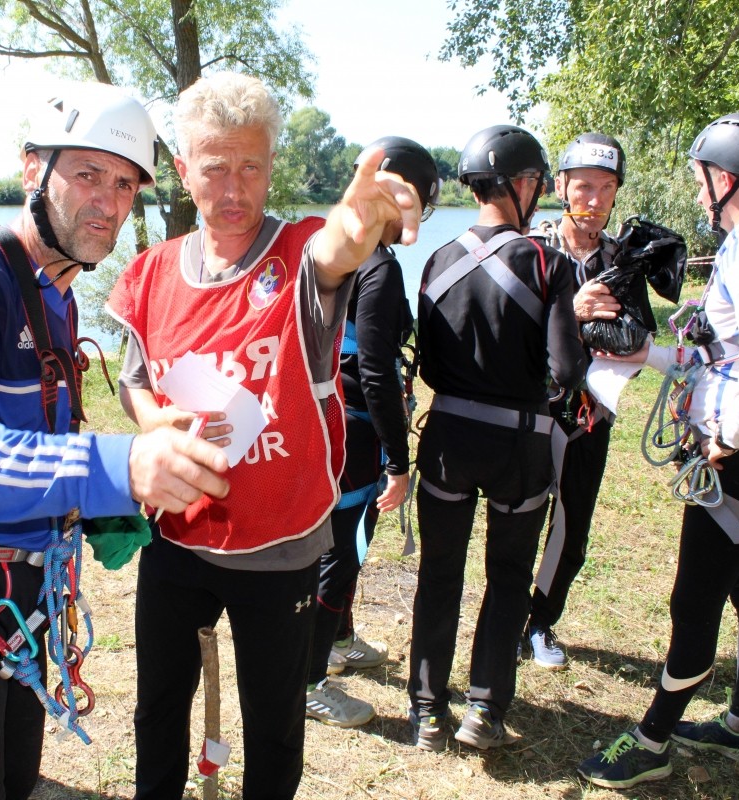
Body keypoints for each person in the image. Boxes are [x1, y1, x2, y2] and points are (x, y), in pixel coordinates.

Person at [0, 83, 230, 800]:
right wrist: (116, 465)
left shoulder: (52, 288)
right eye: (86, 173)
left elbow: (26, 430)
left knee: (14, 780)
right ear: (33, 170)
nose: (109, 201)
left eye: (124, 183)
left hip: (17, 585)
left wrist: (97, 504)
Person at [105, 72, 422, 799]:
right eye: (215, 168)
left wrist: (358, 214)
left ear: (271, 167)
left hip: (280, 542)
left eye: (251, 166)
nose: (234, 188)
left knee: (274, 725)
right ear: (184, 171)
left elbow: (338, 246)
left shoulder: (299, 252)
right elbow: (133, 378)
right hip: (176, 540)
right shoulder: (152, 271)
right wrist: (156, 422)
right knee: (158, 710)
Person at [578, 113, 739, 788]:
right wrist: (646, 352)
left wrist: (728, 434)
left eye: (703, 181)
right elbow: (727, 353)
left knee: (694, 601)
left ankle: (653, 740)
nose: (700, 194)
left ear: (726, 178)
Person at [407, 124, 586, 752]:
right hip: (518, 445)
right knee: (508, 576)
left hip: (449, 439)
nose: (539, 191)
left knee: (439, 575)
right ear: (517, 184)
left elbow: (427, 360)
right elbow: (566, 370)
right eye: (537, 181)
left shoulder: (435, 259)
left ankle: (427, 712)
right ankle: (483, 709)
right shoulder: (549, 263)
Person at [304, 136, 441, 729]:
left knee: (333, 545)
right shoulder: (380, 269)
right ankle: (309, 682)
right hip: (356, 432)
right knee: (343, 552)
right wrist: (398, 457)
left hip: (322, 425)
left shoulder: (326, 249)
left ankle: (338, 639)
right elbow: (377, 371)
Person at [521, 133, 627, 669]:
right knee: (519, 514)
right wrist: (569, 310)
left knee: (573, 524)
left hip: (592, 411)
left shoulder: (620, 257)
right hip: (531, 405)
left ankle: (541, 622)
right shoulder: (530, 245)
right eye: (584, 185)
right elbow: (506, 329)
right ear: (560, 186)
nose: (595, 198)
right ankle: (507, 615)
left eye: (606, 187)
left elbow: (636, 335)